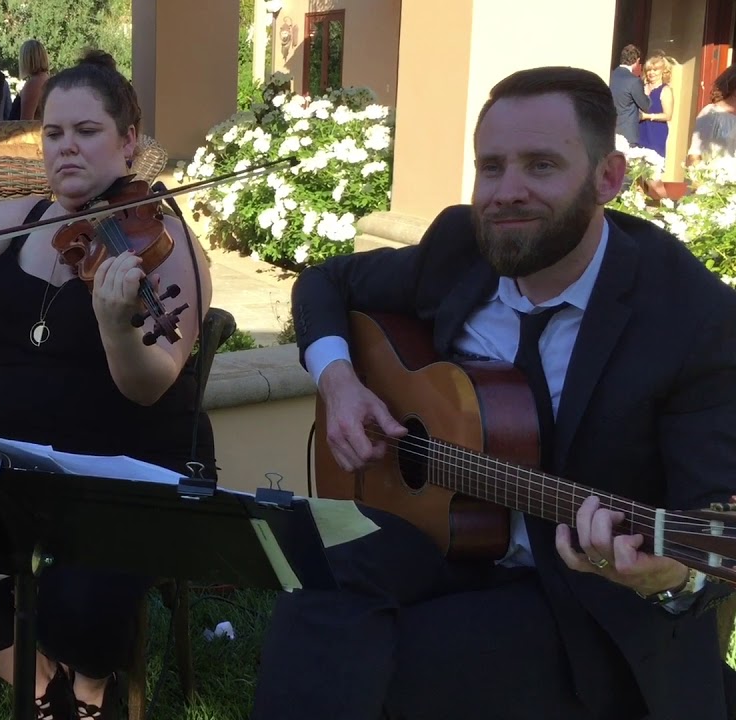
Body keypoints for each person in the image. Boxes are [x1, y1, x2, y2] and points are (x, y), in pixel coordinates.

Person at [254, 65, 736, 720]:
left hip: (580, 598)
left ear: (609, 178)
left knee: (398, 668)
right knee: (315, 580)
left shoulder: (691, 318)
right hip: (447, 535)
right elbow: (325, 284)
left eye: (541, 166)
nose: (506, 192)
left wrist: (669, 575)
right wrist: (339, 382)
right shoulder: (462, 247)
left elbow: (714, 524)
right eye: (491, 167)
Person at [0, 50, 215, 719]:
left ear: (127, 142)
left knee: (83, 599)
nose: (66, 147)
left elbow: (152, 384)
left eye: (86, 131)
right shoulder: (28, 218)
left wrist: (117, 326)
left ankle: (92, 691)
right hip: (12, 465)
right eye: (54, 132)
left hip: (123, 470)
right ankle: (45, 691)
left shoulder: (164, 240)